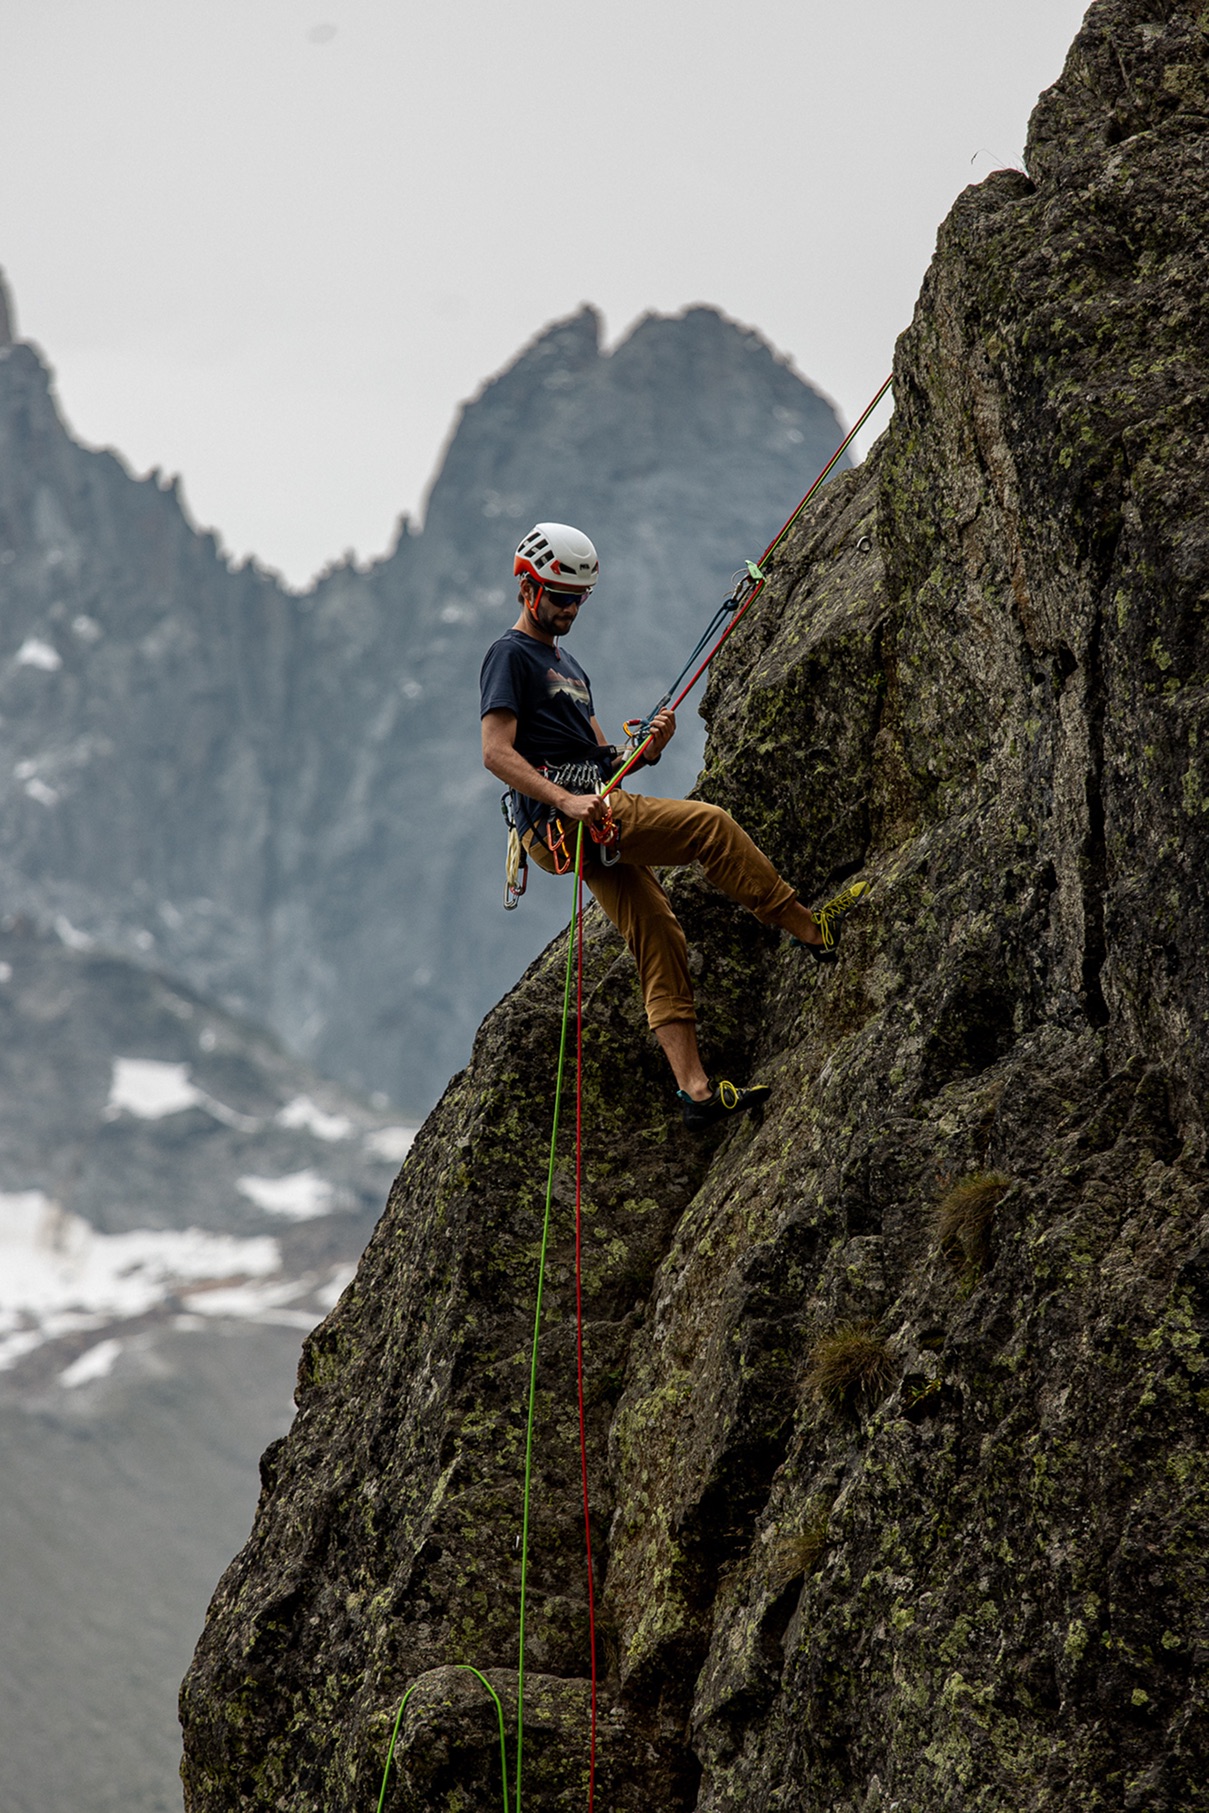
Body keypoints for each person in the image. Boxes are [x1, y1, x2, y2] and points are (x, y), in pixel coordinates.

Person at [479, 522, 867, 1131]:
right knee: (710, 827)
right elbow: (496, 752)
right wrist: (566, 800)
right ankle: (812, 932)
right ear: (528, 589)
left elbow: (605, 757)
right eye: (560, 596)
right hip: (568, 818)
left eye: (580, 599)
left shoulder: (570, 666)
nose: (571, 609)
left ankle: (695, 1092)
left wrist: (649, 749)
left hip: (589, 810)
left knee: (659, 929)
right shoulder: (510, 655)